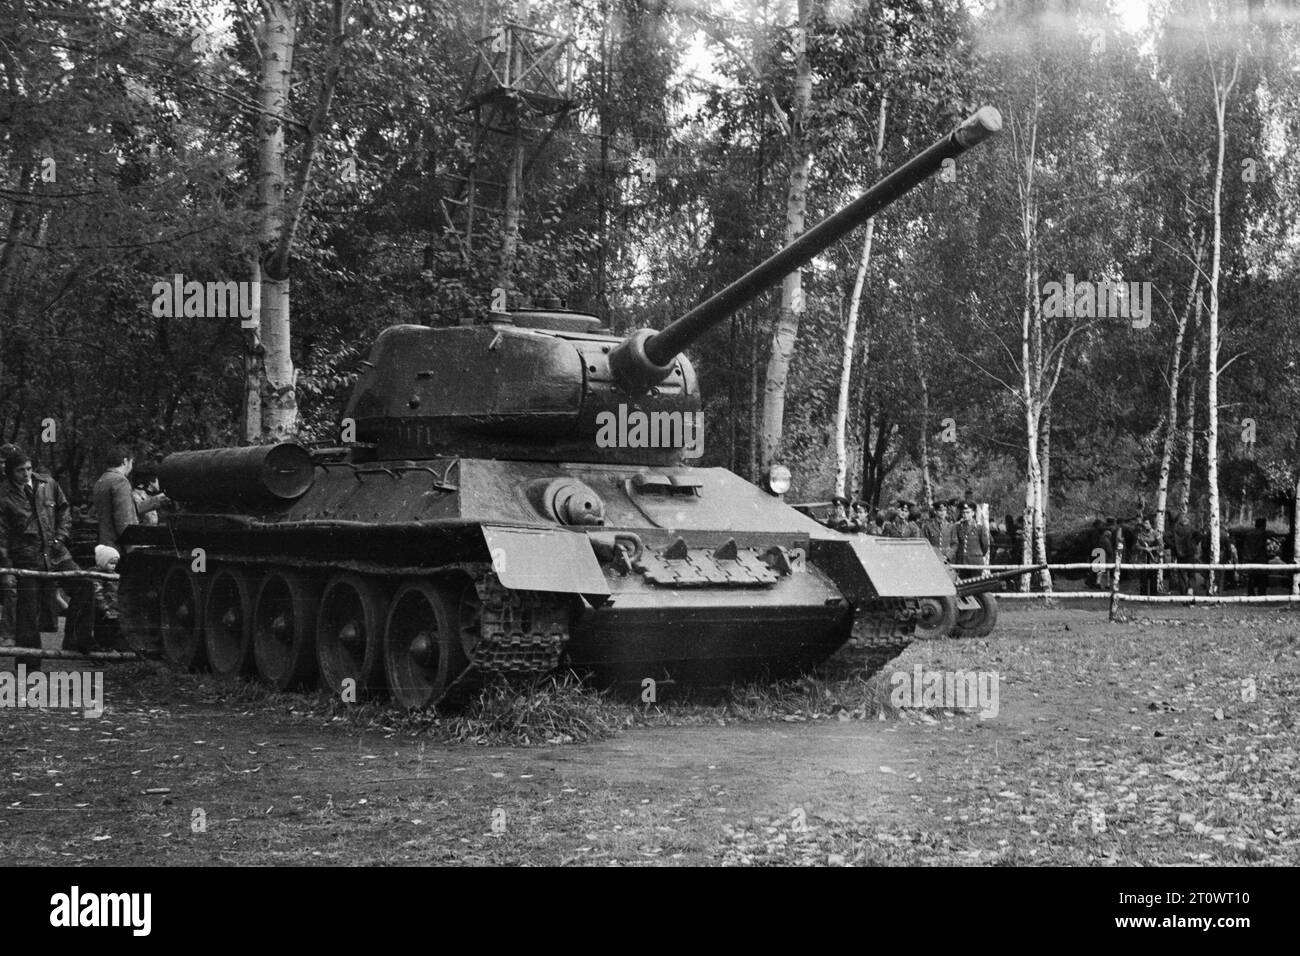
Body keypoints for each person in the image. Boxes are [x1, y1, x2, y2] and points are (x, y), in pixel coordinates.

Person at [0, 452, 95, 653]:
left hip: (56, 553)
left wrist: (60, 538)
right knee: (27, 610)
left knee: (85, 586)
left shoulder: (48, 484)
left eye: (28, 468)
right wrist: (8, 568)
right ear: (9, 472)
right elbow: (2, 535)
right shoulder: (3, 496)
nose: (26, 473)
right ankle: (29, 664)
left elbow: (64, 511)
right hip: (26, 558)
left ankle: (75, 642)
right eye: (20, 470)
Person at [952, 501, 989, 577]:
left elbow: (985, 546)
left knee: (975, 584)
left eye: (968, 512)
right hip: (962, 562)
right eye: (963, 513)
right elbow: (956, 543)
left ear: (973, 513)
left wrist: (978, 554)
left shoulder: (979, 527)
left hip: (976, 562)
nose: (965, 515)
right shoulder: (958, 527)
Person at [1133, 517, 1161, 597]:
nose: (1145, 525)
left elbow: (1161, 545)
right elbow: (1137, 545)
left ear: (1151, 524)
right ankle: (1143, 596)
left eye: (1147, 523)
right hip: (1143, 559)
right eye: (1144, 523)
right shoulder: (1141, 534)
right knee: (1143, 579)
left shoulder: (1156, 534)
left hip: (1153, 559)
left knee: (1153, 579)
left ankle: (1153, 597)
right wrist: (1145, 549)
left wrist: (1152, 548)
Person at [1171, 512, 1196, 595]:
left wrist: (1174, 546)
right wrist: (1193, 544)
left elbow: (1166, 537)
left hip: (1180, 555)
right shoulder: (1191, 528)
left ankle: (1184, 598)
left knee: (1182, 576)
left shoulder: (1176, 528)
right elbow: (1200, 534)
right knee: (1191, 575)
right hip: (1190, 554)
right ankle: (1190, 589)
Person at [1244, 517, 1269, 596]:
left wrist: (1249, 556)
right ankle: (1261, 593)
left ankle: (1250, 592)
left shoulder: (1248, 534)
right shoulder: (1263, 534)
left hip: (1250, 558)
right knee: (1262, 577)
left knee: (1251, 577)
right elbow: (1261, 546)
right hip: (1260, 558)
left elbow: (1245, 546)